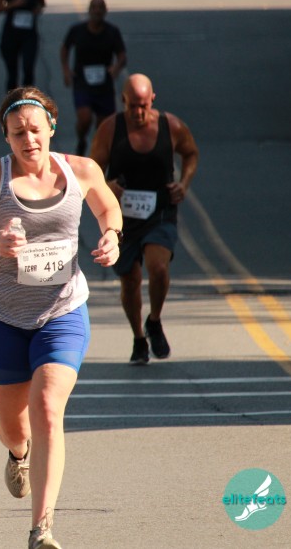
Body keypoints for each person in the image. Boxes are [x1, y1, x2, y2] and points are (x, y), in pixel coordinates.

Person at [0, 87, 122, 549]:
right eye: (17, 133)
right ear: (6, 136)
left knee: (46, 409)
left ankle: (42, 529)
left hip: (62, 312)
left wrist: (112, 236)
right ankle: (18, 453)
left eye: (35, 130)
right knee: (14, 428)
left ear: (51, 128)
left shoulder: (81, 170)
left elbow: (107, 206)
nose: (28, 140)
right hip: (4, 318)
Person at [89, 74, 199, 366]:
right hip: (122, 217)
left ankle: (155, 319)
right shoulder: (110, 129)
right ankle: (139, 338)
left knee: (158, 267)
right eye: (132, 106)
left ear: (152, 99)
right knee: (130, 280)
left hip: (160, 211)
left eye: (143, 105)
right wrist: (107, 185)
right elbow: (91, 169)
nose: (138, 112)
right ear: (123, 101)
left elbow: (191, 153)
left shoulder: (171, 126)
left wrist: (184, 184)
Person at [59, 0, 128, 156]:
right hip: (82, 82)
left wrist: (116, 67)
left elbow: (122, 56)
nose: (97, 11)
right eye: (94, 7)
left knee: (103, 126)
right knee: (85, 118)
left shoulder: (112, 31)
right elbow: (65, 48)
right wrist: (66, 70)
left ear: (105, 11)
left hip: (104, 85)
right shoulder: (77, 30)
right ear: (89, 10)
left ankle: (97, 154)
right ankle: (81, 139)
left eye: (100, 8)